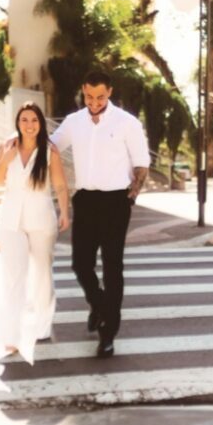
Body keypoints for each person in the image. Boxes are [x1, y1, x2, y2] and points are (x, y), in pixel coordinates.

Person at [51, 67, 151, 356]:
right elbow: (51, 147)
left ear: (110, 93)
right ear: (83, 91)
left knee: (112, 267)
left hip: (116, 202)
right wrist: (19, 139)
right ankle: (98, 304)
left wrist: (131, 196)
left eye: (100, 97)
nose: (94, 103)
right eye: (89, 97)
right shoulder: (74, 122)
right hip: (85, 200)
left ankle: (108, 333)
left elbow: (141, 164)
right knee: (80, 264)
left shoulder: (127, 123)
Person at [0, 102, 70, 362]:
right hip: (10, 220)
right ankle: (11, 336)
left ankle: (43, 324)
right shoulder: (7, 146)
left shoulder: (49, 151)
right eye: (24, 120)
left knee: (42, 274)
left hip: (41, 219)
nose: (29, 125)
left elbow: (60, 185)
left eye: (34, 120)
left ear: (40, 124)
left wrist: (65, 212)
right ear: (18, 122)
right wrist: (6, 160)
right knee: (13, 277)